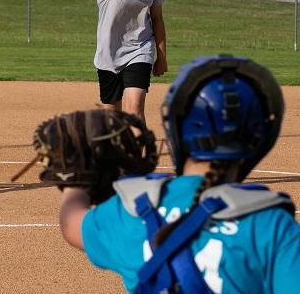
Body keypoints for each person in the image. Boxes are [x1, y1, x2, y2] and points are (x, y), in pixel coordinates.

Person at [57, 55, 299, 293]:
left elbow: (72, 224)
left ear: (176, 128)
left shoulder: (134, 209)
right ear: (258, 139)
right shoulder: (273, 226)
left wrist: (76, 178)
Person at [88, 0, 191, 123]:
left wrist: (161, 56)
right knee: (112, 119)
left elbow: (157, 18)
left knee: (134, 110)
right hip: (109, 53)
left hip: (140, 49)